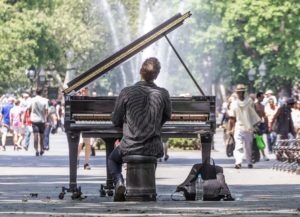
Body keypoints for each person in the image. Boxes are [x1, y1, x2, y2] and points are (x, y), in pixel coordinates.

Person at [108, 57, 171, 201]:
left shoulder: (126, 92)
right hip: (153, 145)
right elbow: (167, 115)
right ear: (157, 75)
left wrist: (127, 122)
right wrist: (154, 125)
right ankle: (146, 188)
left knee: (112, 159)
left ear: (140, 71)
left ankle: (118, 182)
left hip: (129, 145)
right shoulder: (163, 93)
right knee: (152, 154)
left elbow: (115, 120)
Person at [227, 84, 261, 169]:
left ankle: (249, 162)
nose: (239, 94)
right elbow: (232, 118)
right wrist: (231, 129)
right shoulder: (234, 103)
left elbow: (254, 114)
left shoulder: (249, 102)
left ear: (243, 92)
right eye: (238, 92)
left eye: (241, 92)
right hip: (238, 126)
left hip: (249, 127)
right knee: (238, 145)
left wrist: (255, 126)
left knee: (248, 146)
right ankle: (238, 162)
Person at [27, 88, 48, 156]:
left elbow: (29, 109)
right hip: (42, 120)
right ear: (41, 93)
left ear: (36, 92)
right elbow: (46, 111)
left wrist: (29, 116)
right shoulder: (45, 100)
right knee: (42, 136)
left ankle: (36, 150)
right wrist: (46, 120)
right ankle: (41, 149)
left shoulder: (32, 100)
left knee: (35, 135)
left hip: (34, 120)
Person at [77, 87, 92, 170]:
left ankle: (86, 163)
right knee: (80, 143)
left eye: (86, 89)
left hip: (87, 123)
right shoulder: (77, 100)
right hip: (79, 123)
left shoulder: (89, 100)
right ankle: (76, 160)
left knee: (88, 144)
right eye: (83, 90)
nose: (84, 91)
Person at [254, 92, 269, 161]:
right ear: (258, 97)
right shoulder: (254, 105)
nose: (263, 98)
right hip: (253, 124)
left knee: (260, 139)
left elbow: (263, 115)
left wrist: (266, 124)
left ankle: (263, 155)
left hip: (260, 124)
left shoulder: (262, 106)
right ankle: (254, 155)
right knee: (253, 140)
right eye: (262, 97)